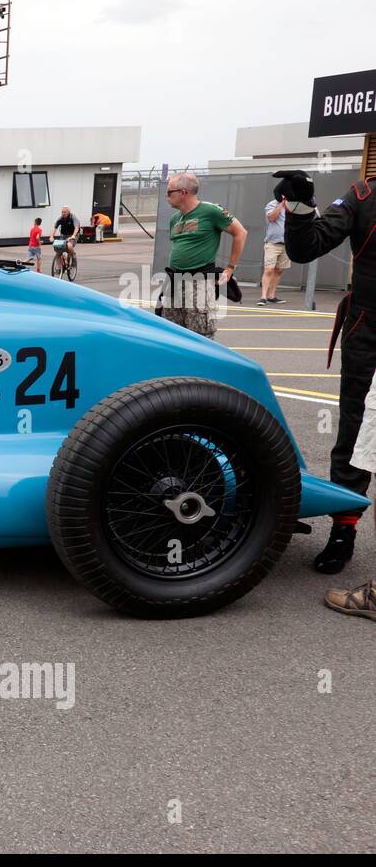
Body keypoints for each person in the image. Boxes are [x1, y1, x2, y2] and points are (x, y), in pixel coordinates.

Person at [271, 169, 376, 580]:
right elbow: (306, 248)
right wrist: (299, 207)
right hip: (368, 326)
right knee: (354, 427)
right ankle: (343, 530)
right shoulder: (364, 194)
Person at [161, 173, 247, 337]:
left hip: (198, 280)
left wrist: (230, 267)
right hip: (174, 279)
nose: (167, 196)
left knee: (201, 330)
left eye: (170, 192)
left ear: (183, 192)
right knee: (172, 329)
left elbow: (241, 233)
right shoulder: (175, 219)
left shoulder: (210, 211)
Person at [259, 196, 290, 306]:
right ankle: (263, 297)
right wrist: (281, 205)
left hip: (286, 244)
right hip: (272, 243)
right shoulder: (272, 204)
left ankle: (271, 296)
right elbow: (271, 218)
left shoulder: (292, 205)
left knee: (279, 270)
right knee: (268, 270)